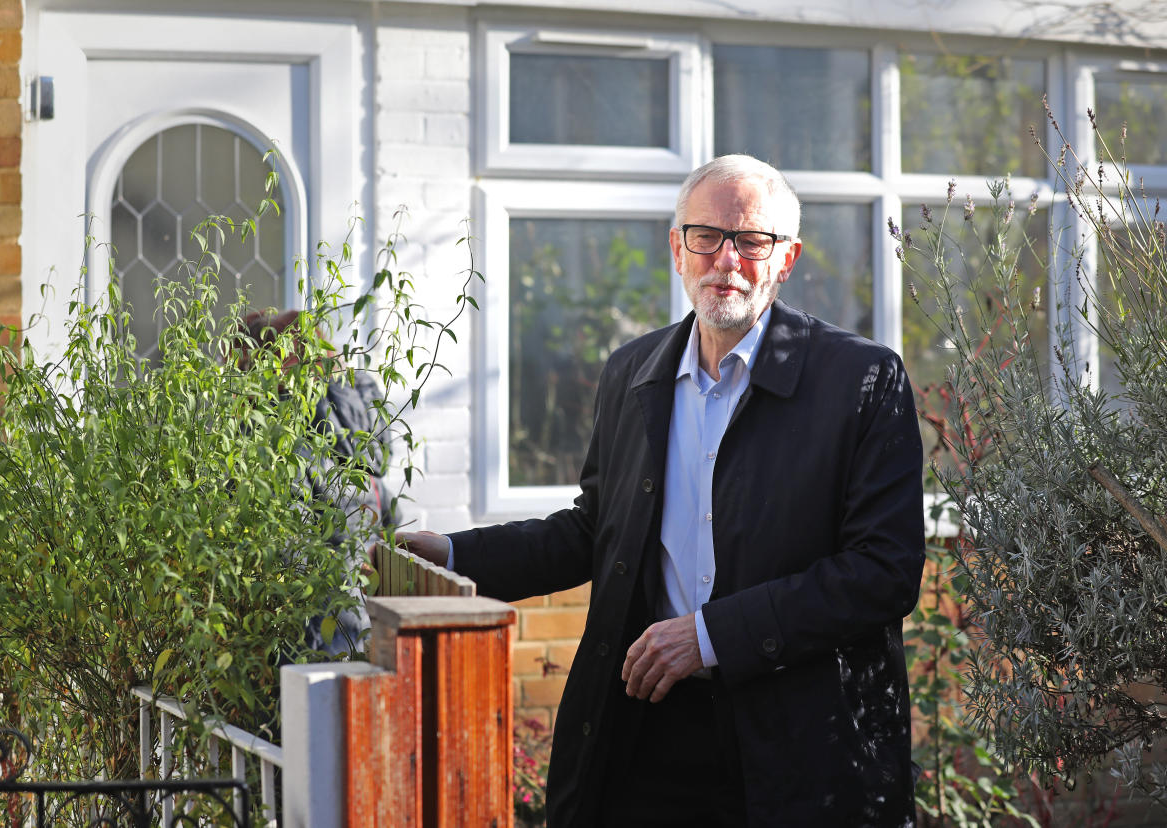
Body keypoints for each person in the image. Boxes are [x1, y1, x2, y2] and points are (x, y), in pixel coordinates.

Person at [397, 155, 926, 827]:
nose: (726, 259)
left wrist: (710, 636)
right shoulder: (632, 373)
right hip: (647, 732)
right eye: (706, 235)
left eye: (752, 240)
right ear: (677, 248)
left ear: (786, 258)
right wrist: (447, 555)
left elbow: (882, 574)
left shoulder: (862, 380)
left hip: (797, 744)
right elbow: (595, 532)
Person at [240, 309, 400, 657]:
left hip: (308, 637)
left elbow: (282, 551)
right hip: (366, 621)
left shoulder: (281, 443)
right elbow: (390, 518)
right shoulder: (363, 440)